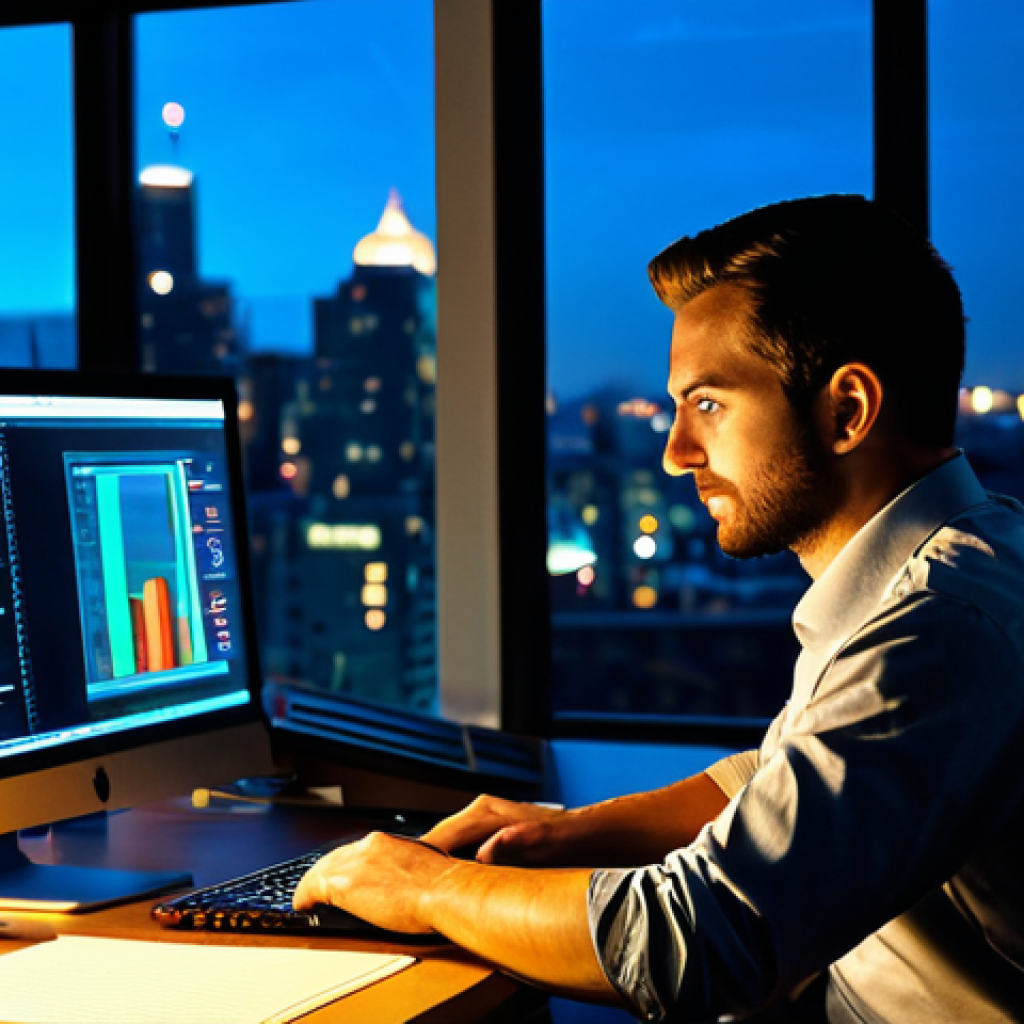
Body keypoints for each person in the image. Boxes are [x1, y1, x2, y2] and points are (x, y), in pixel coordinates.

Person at [294, 195, 1024, 1022]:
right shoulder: (965, 558)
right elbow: (792, 780)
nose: (676, 453)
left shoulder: (935, 633)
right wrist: (561, 831)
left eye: (708, 404)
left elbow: (698, 941)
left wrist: (427, 887)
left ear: (846, 411)